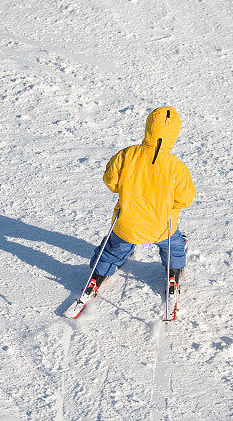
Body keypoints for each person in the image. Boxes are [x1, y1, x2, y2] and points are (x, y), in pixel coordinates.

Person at [84, 106, 196, 296]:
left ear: (149, 127)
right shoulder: (176, 167)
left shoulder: (127, 155)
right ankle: (173, 273)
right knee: (175, 246)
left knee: (113, 249)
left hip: (127, 223)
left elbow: (110, 181)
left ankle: (97, 276)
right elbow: (185, 199)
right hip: (161, 226)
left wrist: (125, 190)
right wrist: (168, 205)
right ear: (174, 134)